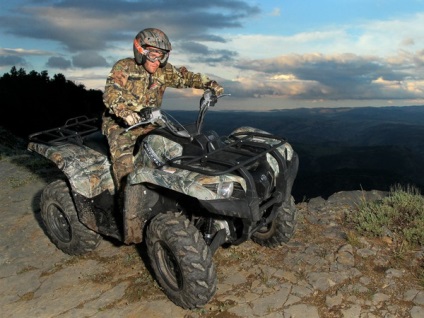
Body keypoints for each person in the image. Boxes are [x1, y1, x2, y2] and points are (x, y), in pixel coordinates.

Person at [102, 28, 224, 190]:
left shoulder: (163, 71)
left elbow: (185, 77)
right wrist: (125, 112)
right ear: (140, 51)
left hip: (151, 121)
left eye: (162, 55)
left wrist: (210, 85)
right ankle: (124, 204)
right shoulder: (124, 67)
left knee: (180, 148)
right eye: (153, 54)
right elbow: (111, 93)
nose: (157, 60)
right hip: (122, 126)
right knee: (124, 167)